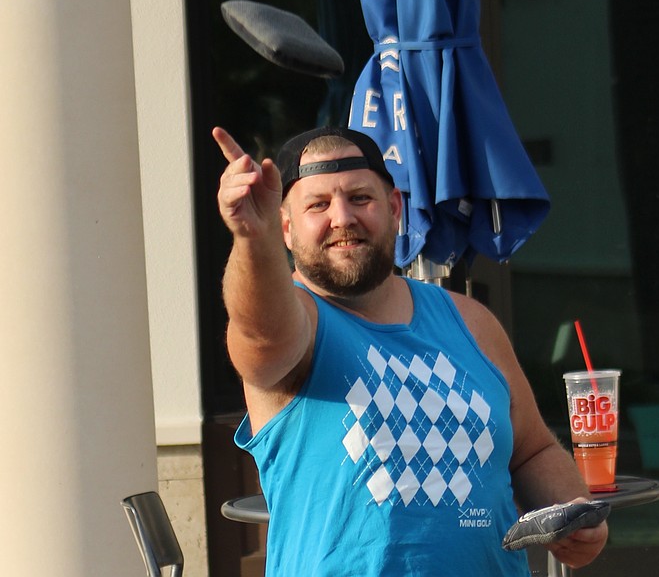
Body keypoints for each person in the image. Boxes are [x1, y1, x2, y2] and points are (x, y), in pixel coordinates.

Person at [213, 124, 608, 576]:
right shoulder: (298, 322)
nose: (342, 217)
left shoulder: (470, 321)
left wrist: (575, 514)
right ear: (285, 227)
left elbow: (532, 450)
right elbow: (260, 334)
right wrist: (252, 239)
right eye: (318, 205)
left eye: (360, 198)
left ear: (395, 208)